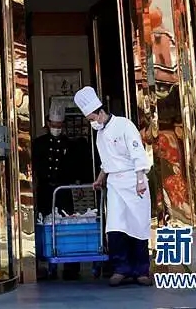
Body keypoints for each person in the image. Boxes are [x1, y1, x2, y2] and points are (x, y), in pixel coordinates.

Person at [73, 85, 152, 287]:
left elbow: (137, 153)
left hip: (133, 180)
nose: (92, 122)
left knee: (138, 226)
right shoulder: (100, 134)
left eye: (92, 118)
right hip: (115, 184)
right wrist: (100, 178)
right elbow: (107, 162)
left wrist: (140, 180)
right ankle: (121, 269)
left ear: (100, 112)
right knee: (115, 227)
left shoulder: (124, 125)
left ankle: (141, 270)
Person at [32, 99, 80, 279]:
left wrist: (76, 183)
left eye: (59, 125)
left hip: (64, 190)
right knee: (45, 225)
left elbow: (74, 166)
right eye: (54, 124)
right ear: (48, 123)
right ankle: (46, 264)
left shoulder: (70, 144)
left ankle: (71, 266)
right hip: (45, 190)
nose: (57, 128)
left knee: (67, 226)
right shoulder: (39, 143)